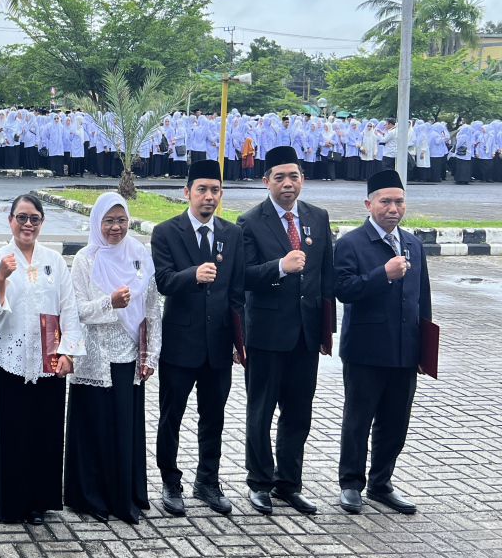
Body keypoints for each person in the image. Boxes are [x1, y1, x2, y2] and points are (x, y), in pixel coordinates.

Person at [237, 146, 335, 516]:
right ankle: (259, 482)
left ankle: (288, 483)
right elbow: (242, 276)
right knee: (260, 413)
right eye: (279, 177)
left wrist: (326, 331)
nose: (287, 183)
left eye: (294, 176)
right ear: (266, 182)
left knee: (298, 414)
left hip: (306, 335)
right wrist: (280, 266)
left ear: (302, 179)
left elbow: (326, 277)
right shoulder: (250, 221)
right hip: (266, 335)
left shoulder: (317, 217)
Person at [0, 194, 84, 524]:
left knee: (44, 432)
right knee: (10, 434)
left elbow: (69, 308)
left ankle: (40, 502)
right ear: (10, 220)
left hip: (48, 361)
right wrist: (0, 279)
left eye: (34, 218)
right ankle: (9, 503)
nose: (27, 224)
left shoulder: (54, 260)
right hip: (7, 360)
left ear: (42, 222)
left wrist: (68, 351)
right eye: (21, 217)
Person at [150, 159, 245, 516]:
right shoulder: (166, 232)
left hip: (219, 344)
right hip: (180, 344)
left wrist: (240, 341)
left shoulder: (232, 234)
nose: (209, 197)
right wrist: (193, 275)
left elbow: (237, 293)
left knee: (214, 417)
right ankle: (170, 481)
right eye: (202, 190)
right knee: (171, 416)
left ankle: (207, 481)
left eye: (215, 190)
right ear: (186, 192)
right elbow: (163, 281)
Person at [334, 169, 431, 515]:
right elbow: (342, 289)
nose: (393, 208)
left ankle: (381, 482)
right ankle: (351, 484)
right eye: (385, 201)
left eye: (399, 202)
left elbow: (422, 299)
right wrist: (382, 275)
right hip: (366, 349)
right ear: (369, 204)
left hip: (405, 350)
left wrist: (425, 349)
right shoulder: (350, 243)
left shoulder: (413, 244)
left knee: (395, 422)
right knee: (358, 420)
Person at [64, 192, 160, 524]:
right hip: (95, 358)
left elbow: (152, 309)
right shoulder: (85, 259)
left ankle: (124, 497)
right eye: (108, 221)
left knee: (123, 429)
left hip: (129, 359)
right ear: (97, 222)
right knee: (95, 428)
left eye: (121, 220)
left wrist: (150, 355)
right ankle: (91, 498)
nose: (116, 227)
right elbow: (76, 310)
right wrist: (110, 303)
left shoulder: (139, 256)